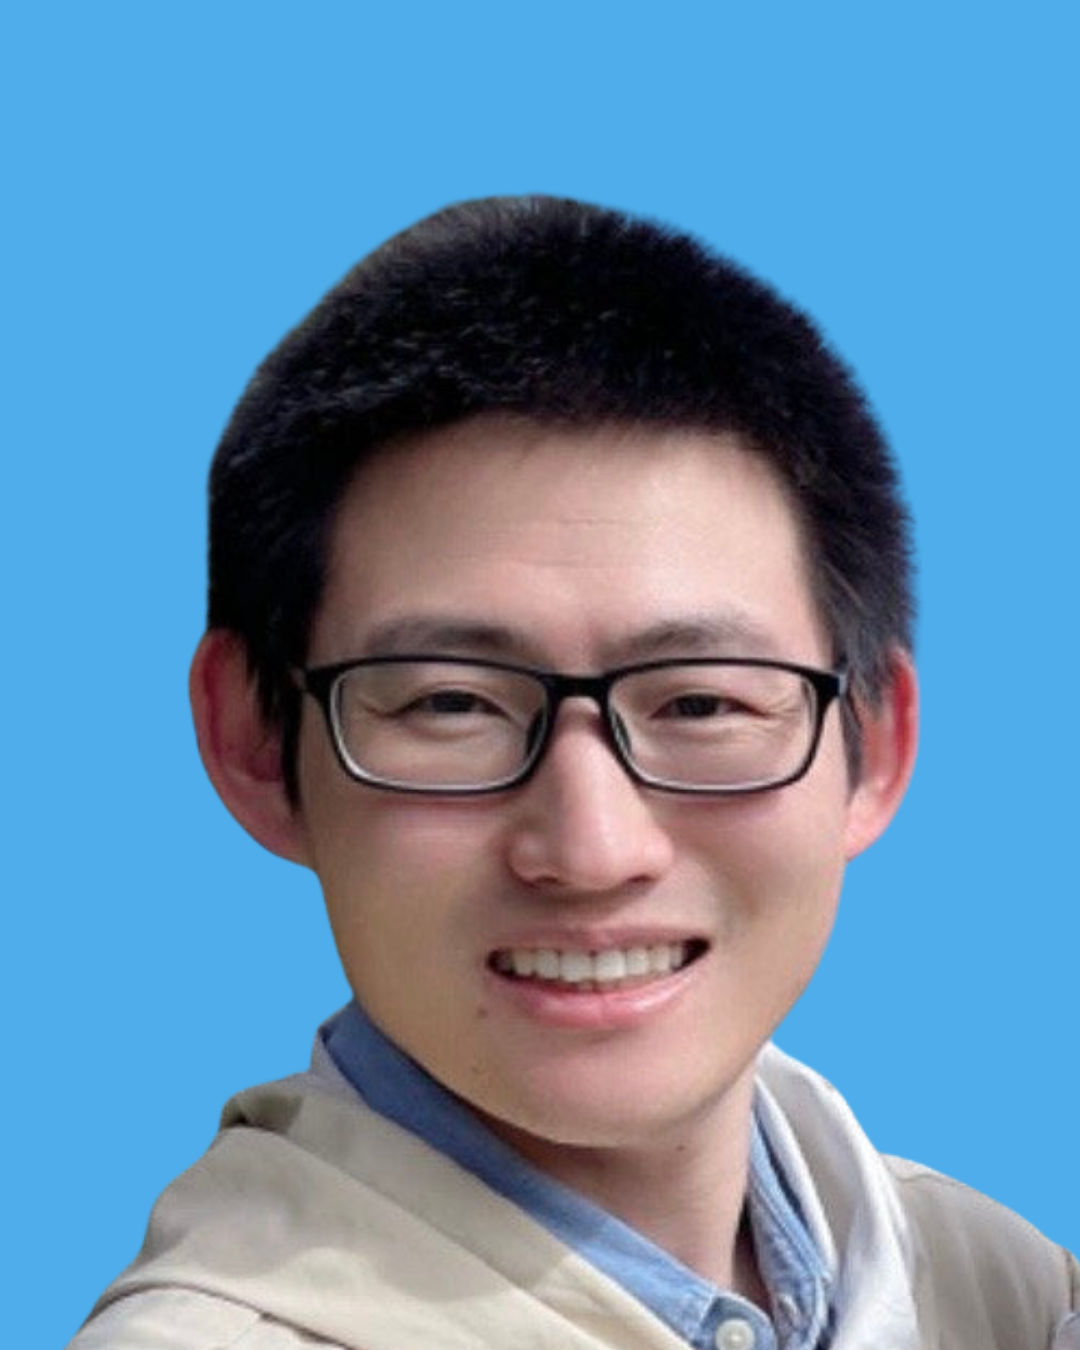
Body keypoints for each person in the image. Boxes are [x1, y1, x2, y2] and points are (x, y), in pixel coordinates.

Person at [69, 196, 1078, 1350]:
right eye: (452, 704)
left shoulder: (1001, 1291)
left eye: (701, 700)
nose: (593, 849)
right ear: (254, 739)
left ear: (875, 747)